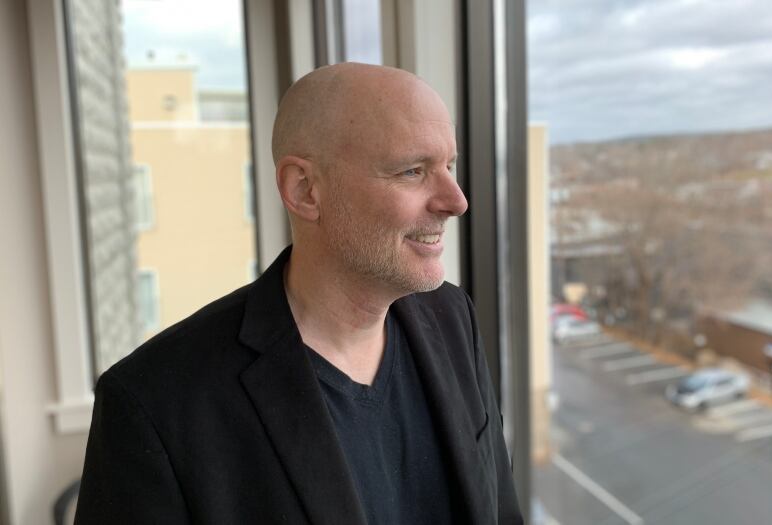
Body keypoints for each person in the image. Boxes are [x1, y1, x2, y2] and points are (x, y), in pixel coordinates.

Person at [75, 63, 523, 524]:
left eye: (449, 165)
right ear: (305, 190)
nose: (457, 200)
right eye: (413, 170)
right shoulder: (155, 404)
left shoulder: (453, 318)